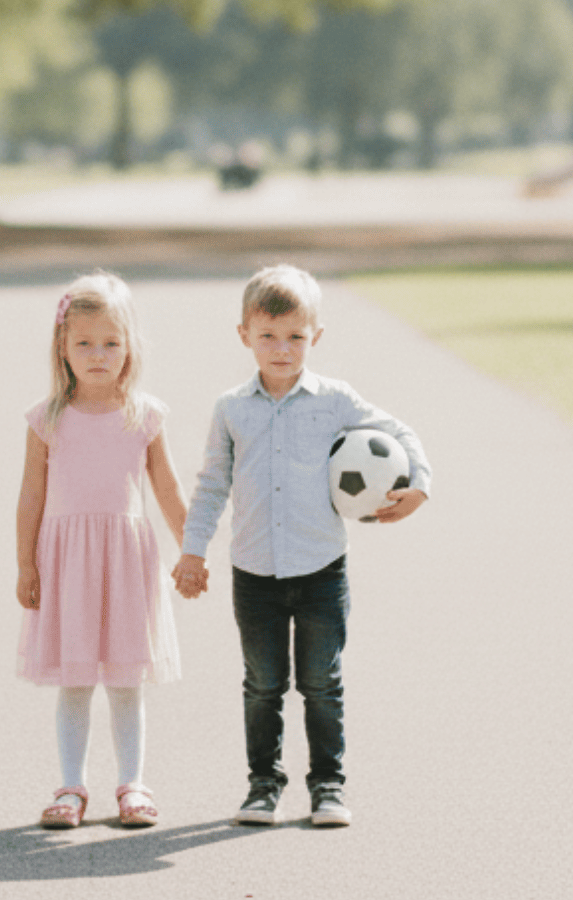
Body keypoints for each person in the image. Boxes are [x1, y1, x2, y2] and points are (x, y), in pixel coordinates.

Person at [172, 264, 430, 829]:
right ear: (244, 335)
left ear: (316, 335)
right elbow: (212, 484)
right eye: (268, 335)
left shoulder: (336, 401)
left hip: (320, 569)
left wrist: (420, 486)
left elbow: (402, 433)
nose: (282, 348)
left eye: (295, 335)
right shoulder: (231, 409)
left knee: (321, 682)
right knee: (263, 684)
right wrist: (193, 551)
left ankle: (328, 787)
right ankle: (263, 787)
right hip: (254, 571)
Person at [16, 271, 194, 830]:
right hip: (67, 563)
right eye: (84, 343)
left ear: (130, 347)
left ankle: (133, 786)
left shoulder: (144, 415)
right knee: (74, 681)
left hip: (126, 562)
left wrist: (192, 551)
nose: (98, 355)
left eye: (111, 343)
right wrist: (25, 563)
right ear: (63, 349)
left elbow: (166, 488)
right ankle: (70, 788)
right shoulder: (47, 419)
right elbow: (31, 496)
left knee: (124, 680)